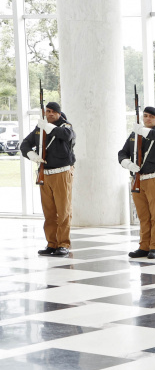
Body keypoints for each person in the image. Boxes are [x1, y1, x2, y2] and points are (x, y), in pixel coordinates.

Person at [21, 101, 75, 257]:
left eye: (53, 111)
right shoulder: (40, 127)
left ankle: (63, 244)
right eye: (47, 111)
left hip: (61, 173)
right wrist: (32, 155)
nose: (50, 114)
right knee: (49, 212)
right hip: (45, 173)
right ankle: (52, 243)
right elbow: (25, 143)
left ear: (59, 113)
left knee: (63, 211)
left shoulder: (66, 126)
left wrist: (48, 127)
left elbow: (66, 136)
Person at [118, 106, 155, 260]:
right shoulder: (136, 134)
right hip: (138, 179)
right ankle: (144, 246)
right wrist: (127, 164)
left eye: (151, 116)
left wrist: (143, 131)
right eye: (145, 116)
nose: (147, 119)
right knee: (143, 215)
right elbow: (122, 153)